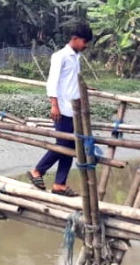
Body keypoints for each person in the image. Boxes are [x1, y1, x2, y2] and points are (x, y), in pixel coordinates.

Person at [27, 23, 93, 197]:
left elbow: (72, 80)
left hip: (74, 110)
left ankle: (59, 184)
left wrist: (85, 88)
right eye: (84, 41)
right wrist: (54, 105)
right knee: (63, 145)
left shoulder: (76, 57)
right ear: (75, 39)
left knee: (71, 146)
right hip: (62, 109)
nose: (85, 45)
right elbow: (52, 82)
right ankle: (37, 171)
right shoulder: (60, 56)